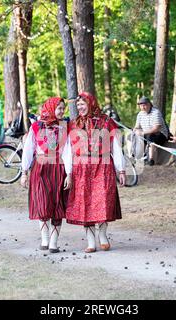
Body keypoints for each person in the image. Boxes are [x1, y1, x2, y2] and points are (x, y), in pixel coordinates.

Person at [64, 92, 126, 253]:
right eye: (78, 105)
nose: (80, 107)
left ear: (91, 103)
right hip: (81, 168)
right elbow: (68, 150)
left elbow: (116, 146)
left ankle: (103, 235)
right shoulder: (73, 124)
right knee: (85, 204)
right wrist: (68, 172)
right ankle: (91, 241)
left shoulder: (106, 122)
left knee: (104, 200)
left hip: (102, 165)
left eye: (83, 104)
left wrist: (121, 169)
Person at [20, 97, 72, 253]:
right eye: (59, 108)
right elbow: (28, 150)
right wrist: (24, 172)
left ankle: (54, 243)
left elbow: (68, 151)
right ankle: (44, 239)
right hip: (41, 168)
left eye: (63, 108)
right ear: (50, 108)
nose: (62, 111)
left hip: (59, 168)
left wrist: (69, 173)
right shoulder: (36, 127)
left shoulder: (64, 127)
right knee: (42, 203)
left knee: (57, 205)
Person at [133, 96, 171, 166]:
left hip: (161, 134)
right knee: (137, 137)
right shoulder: (140, 114)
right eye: (141, 106)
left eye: (144, 105)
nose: (142, 107)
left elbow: (156, 128)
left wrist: (142, 132)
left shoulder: (156, 112)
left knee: (150, 137)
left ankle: (151, 160)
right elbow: (137, 126)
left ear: (149, 104)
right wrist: (135, 130)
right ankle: (140, 157)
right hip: (147, 134)